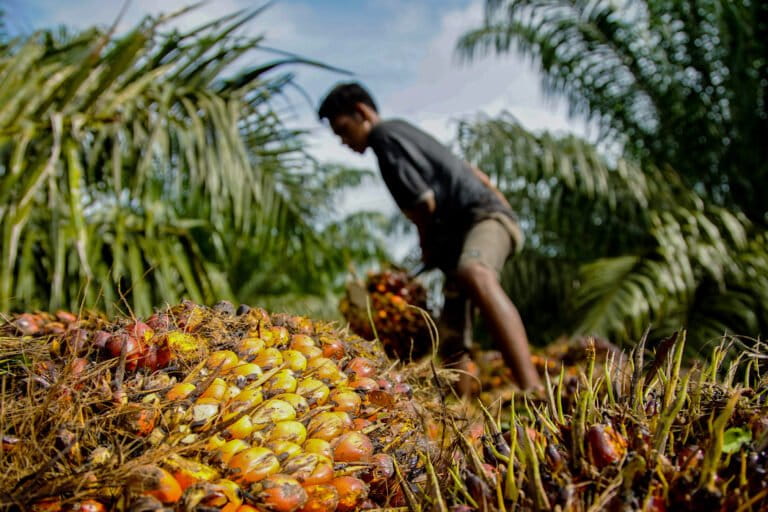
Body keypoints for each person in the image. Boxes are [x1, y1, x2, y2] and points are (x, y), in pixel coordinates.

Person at [318, 82, 541, 393]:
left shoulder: (384, 137)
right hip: (464, 235)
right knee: (450, 333)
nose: (343, 141)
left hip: (485, 220)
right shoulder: (406, 132)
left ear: (361, 112)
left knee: (475, 272)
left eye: (343, 129)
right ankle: (460, 411)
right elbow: (473, 173)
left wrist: (426, 244)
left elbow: (423, 202)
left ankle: (533, 389)